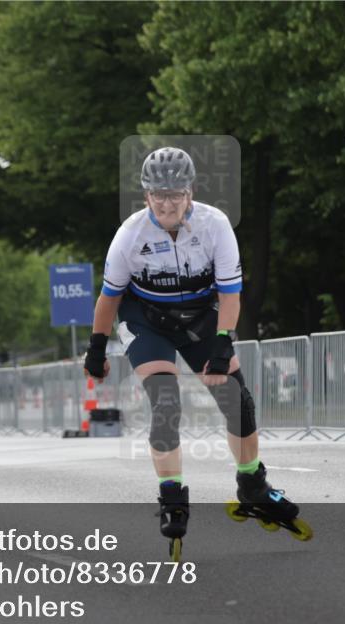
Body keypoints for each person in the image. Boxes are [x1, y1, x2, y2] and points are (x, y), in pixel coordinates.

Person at [83, 147, 311, 559]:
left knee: (237, 401)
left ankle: (252, 485)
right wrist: (96, 347)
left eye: (176, 194)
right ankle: (171, 494)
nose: (167, 204)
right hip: (147, 318)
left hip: (202, 315)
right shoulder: (130, 235)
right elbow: (109, 297)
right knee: (166, 401)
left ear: (191, 192)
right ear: (145, 195)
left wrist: (224, 340)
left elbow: (230, 292)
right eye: (158, 195)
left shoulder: (215, 224)